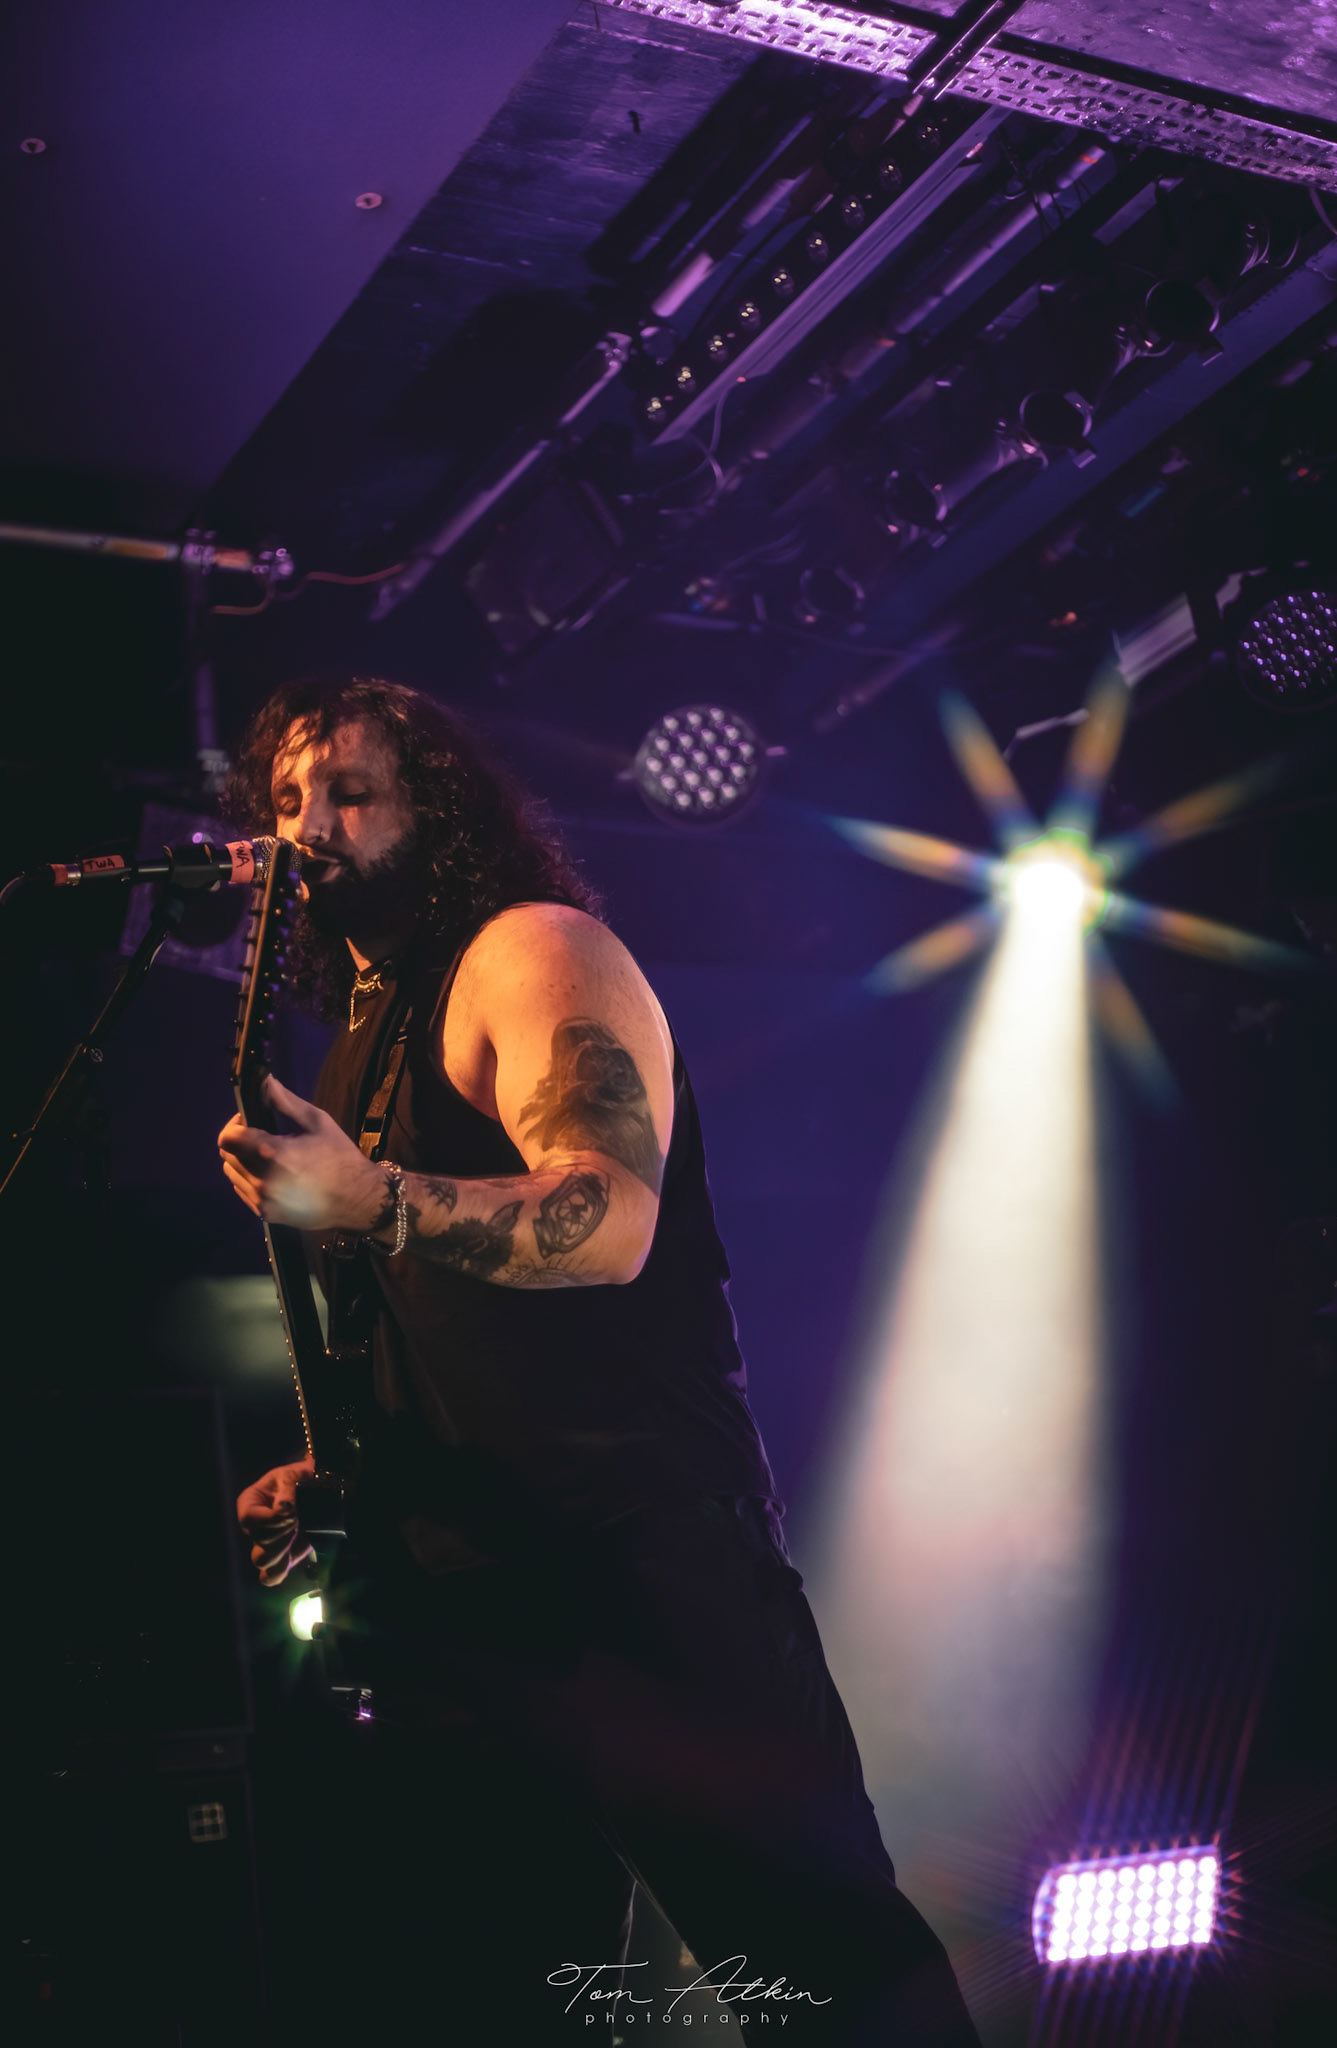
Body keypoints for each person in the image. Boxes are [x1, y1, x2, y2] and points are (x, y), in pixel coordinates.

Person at [220, 676, 981, 2046]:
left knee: (824, 1979)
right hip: (464, 1593)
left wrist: (370, 1198)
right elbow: (446, 1330)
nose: (306, 829)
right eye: (285, 800)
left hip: (629, 1565)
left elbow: (611, 1219)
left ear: (437, 811)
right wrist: (343, 1473)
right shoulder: (355, 1046)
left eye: (350, 792)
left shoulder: (530, 952)